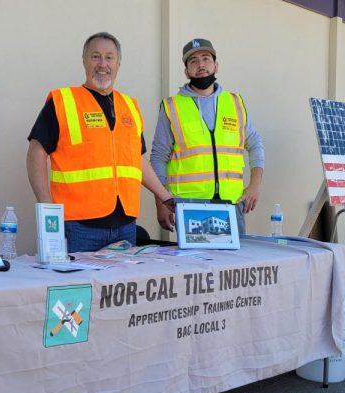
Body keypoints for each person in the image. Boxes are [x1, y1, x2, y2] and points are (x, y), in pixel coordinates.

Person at [26, 32, 174, 252]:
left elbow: (137, 161)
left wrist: (164, 196)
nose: (102, 64)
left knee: (122, 286)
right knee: (79, 285)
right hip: (79, 226)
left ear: (118, 63)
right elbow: (35, 153)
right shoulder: (63, 101)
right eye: (95, 57)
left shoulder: (130, 106)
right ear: (84, 61)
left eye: (109, 57)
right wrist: (47, 206)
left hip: (125, 223)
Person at [150, 38, 264, 234]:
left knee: (234, 264)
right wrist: (161, 201)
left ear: (216, 66)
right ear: (186, 72)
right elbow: (158, 156)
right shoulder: (172, 107)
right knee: (196, 263)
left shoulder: (234, 103)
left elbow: (255, 144)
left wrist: (254, 185)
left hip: (233, 204)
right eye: (193, 61)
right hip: (190, 206)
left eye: (206, 58)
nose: (201, 64)